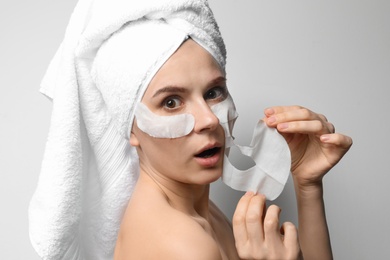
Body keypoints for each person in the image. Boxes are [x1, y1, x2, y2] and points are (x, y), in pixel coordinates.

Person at [29, 1, 352, 259]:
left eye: (213, 92)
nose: (209, 119)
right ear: (130, 126)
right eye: (171, 102)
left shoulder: (197, 210)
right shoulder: (181, 245)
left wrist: (308, 187)